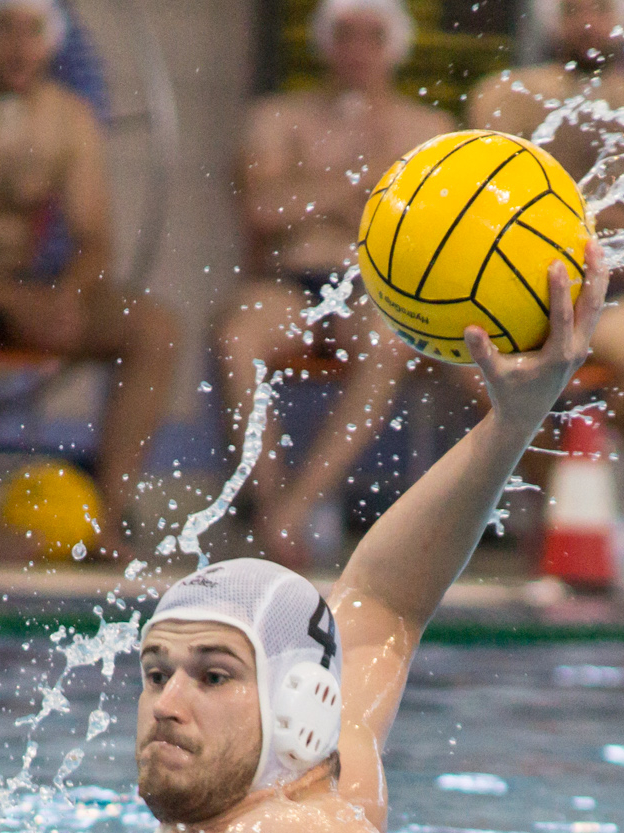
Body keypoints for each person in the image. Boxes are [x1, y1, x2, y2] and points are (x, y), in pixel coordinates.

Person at [75, 243, 609, 833]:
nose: (167, 702)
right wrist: (513, 421)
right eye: (156, 670)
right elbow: (384, 601)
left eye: (213, 675)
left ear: (295, 706)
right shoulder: (299, 764)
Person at [0, 0, 178, 558]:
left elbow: (95, 239)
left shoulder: (68, 118)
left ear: (52, 42)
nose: (19, 45)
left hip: (25, 290)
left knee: (155, 329)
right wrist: (19, 300)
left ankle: (105, 520)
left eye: (33, 31)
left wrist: (65, 298)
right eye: (5, 29)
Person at [217, 0, 455, 569]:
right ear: (326, 44)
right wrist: (356, 192)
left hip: (371, 288)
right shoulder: (275, 118)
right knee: (236, 338)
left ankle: (295, 509)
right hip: (289, 282)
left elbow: (426, 234)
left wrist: (311, 193)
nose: (357, 51)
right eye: (345, 36)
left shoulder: (430, 129)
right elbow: (261, 208)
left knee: (387, 341)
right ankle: (270, 500)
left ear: (393, 47)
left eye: (371, 38)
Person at [467, 0, 624, 449]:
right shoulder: (505, 98)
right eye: (574, 10)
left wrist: (552, 218)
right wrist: (603, 217)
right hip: (511, 292)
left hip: (615, 299)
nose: (588, 24)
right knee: (465, 353)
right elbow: (480, 214)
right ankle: (551, 486)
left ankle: (596, 468)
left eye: (601, 10)